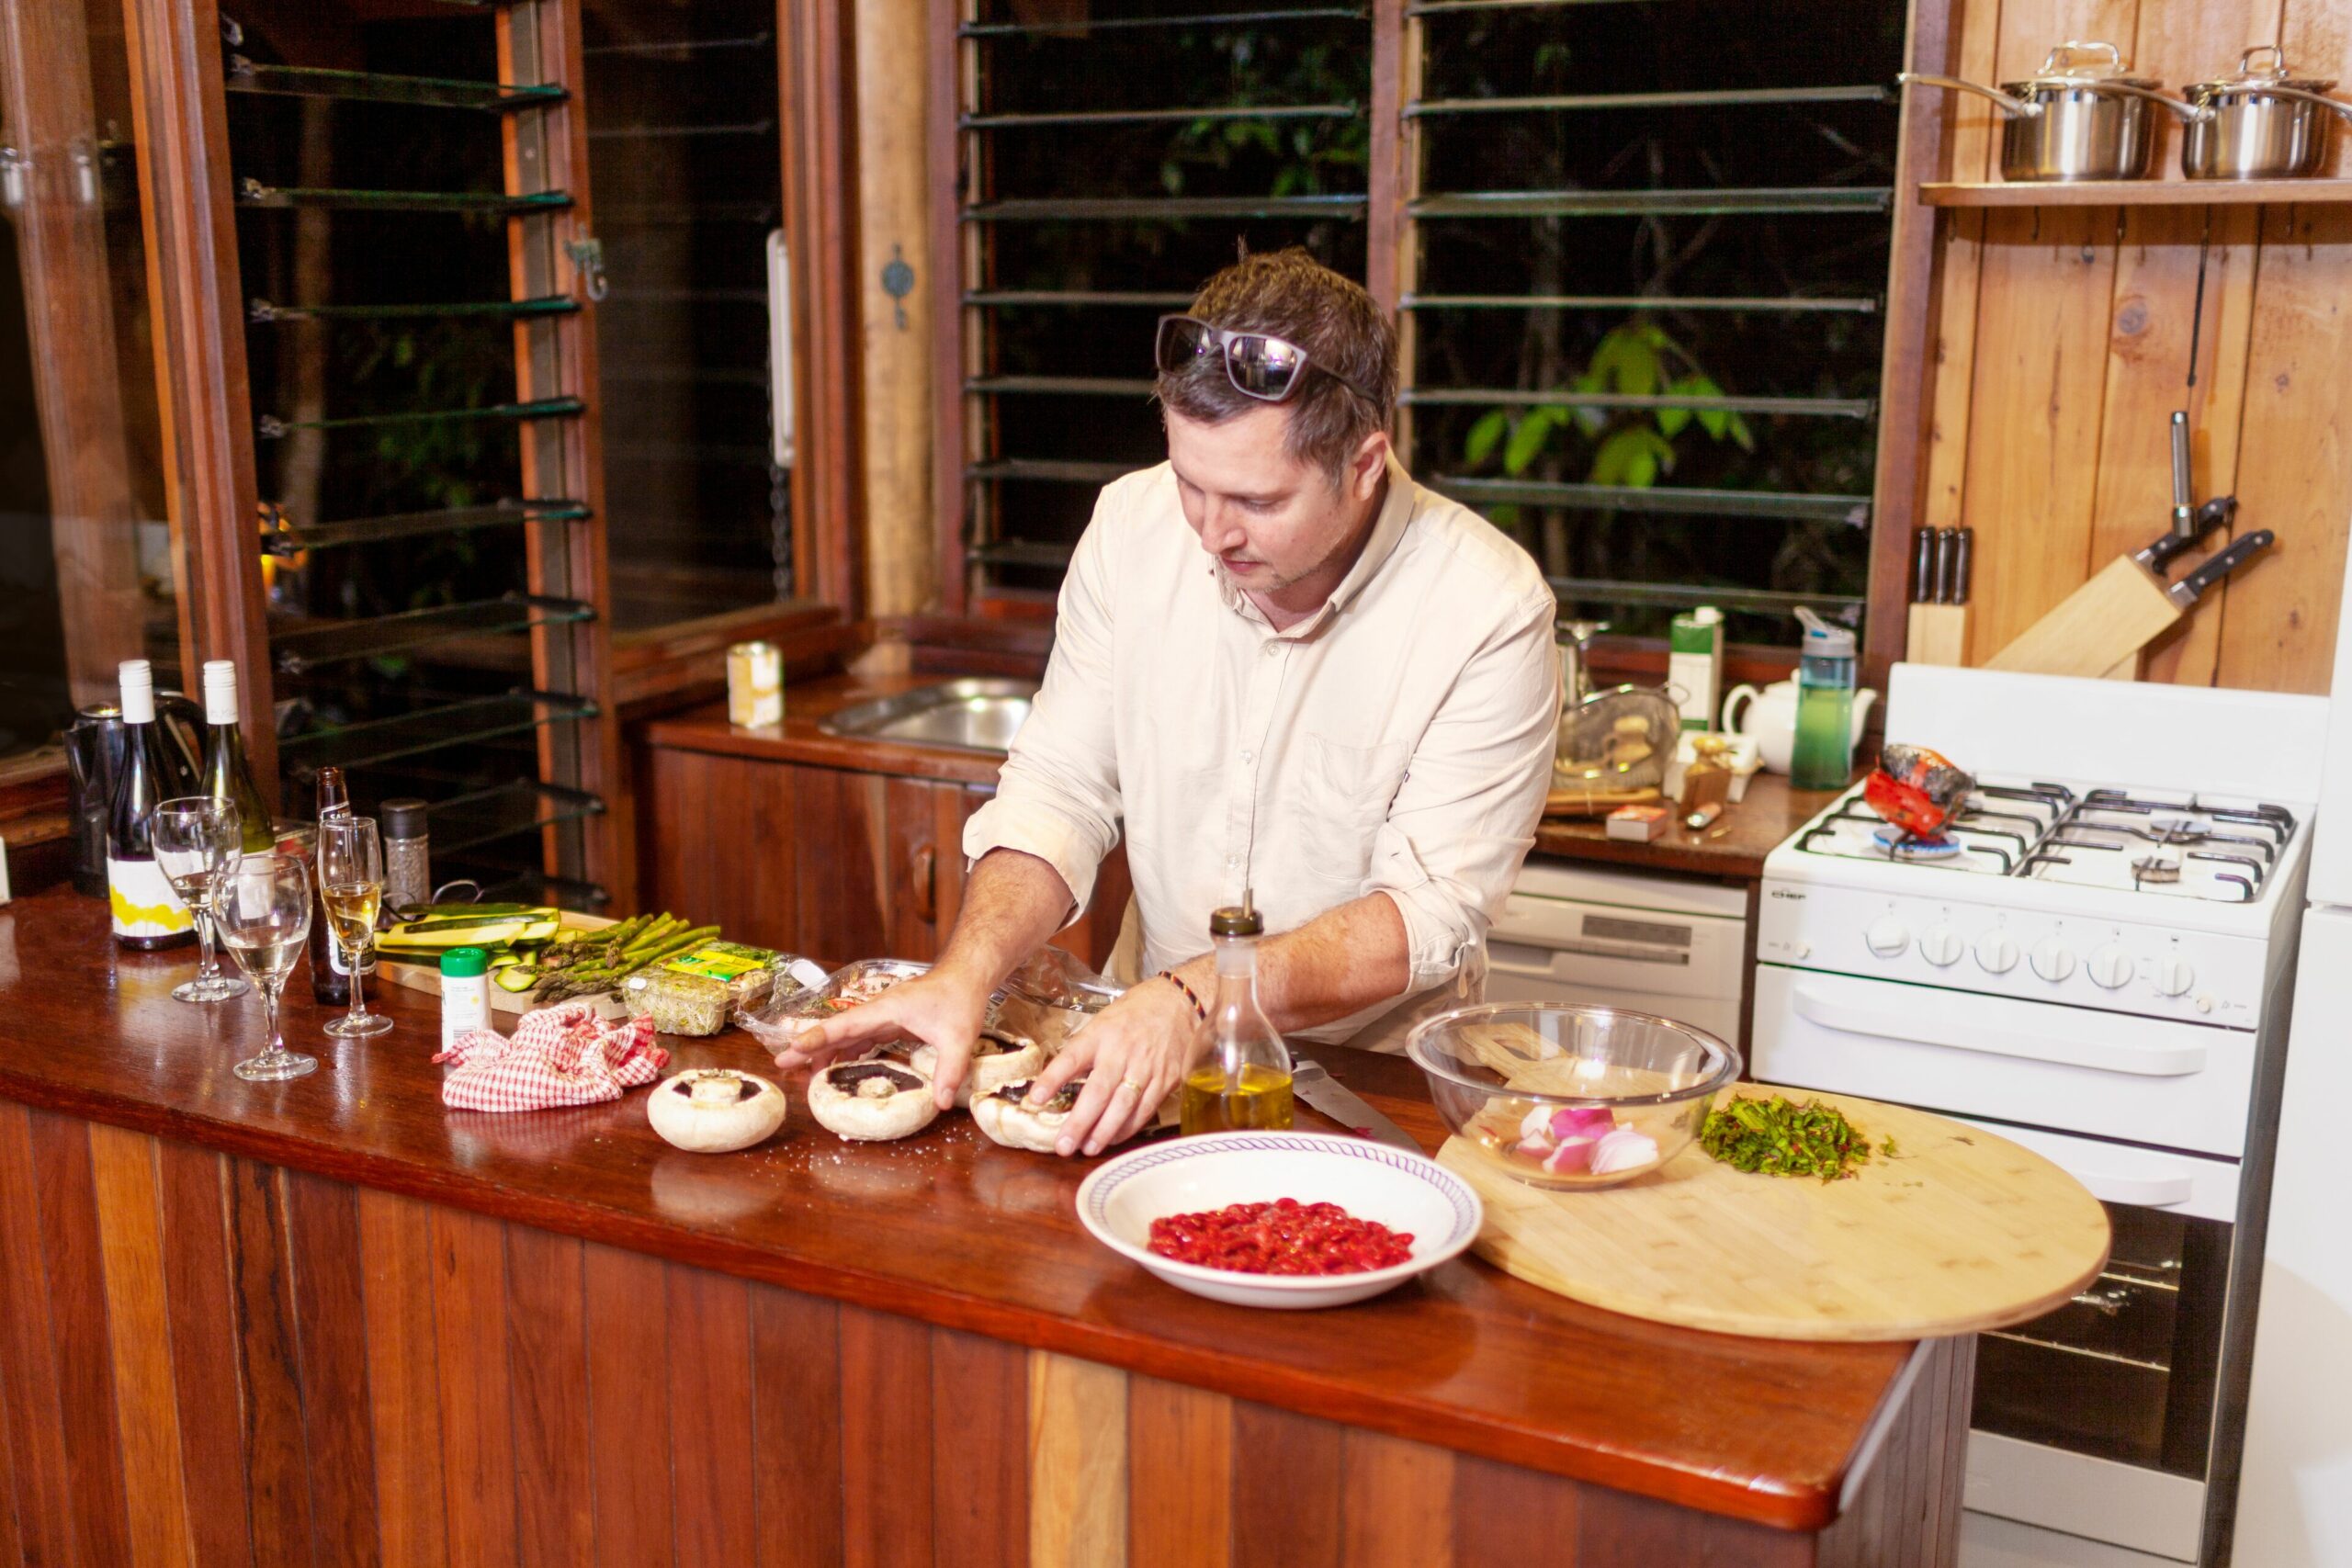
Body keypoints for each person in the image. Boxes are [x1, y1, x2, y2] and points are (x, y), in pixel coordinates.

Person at [780, 248, 1558, 1156]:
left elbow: (1427, 913)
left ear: (1363, 464)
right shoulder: (1131, 526)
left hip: (1371, 1080)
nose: (1211, 530)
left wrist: (1199, 994)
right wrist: (968, 970)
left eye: (1256, 500)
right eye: (1190, 482)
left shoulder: (1487, 607)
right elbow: (1062, 785)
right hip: (1138, 1046)